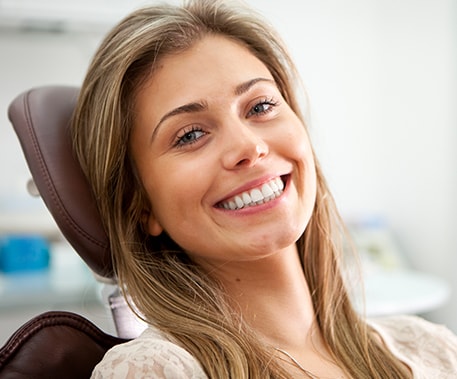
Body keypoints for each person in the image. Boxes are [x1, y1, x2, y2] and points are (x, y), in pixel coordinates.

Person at [71, 0, 457, 378]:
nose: (249, 147)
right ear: (140, 205)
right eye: (190, 134)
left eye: (259, 107)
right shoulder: (154, 371)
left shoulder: (432, 348)